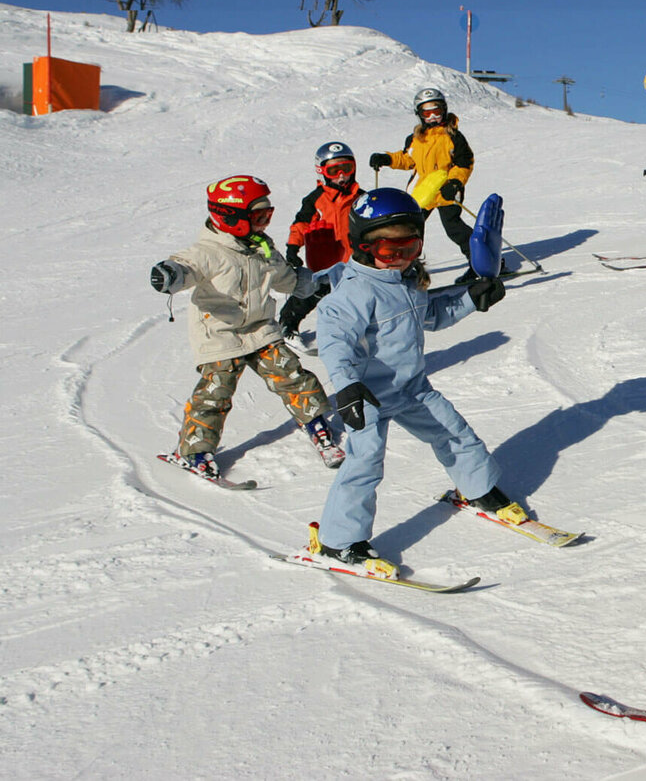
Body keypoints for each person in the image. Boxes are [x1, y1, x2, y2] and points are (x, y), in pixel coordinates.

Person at [308, 188, 524, 578]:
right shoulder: (356, 291)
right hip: (366, 396)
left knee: (455, 433)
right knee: (364, 465)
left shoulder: (406, 281)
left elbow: (433, 315)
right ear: (363, 246)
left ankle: (477, 489)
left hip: (412, 389)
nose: (403, 259)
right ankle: (337, 542)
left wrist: (473, 299)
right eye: (392, 252)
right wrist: (346, 385)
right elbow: (334, 339)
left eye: (411, 248)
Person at [150, 174, 345, 472]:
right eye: (259, 217)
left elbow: (285, 278)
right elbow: (186, 265)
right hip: (220, 334)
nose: (265, 223)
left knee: (291, 374)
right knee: (216, 392)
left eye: (268, 216)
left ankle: (315, 422)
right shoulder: (208, 251)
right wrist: (171, 273)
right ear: (232, 217)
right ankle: (195, 451)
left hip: (260, 329)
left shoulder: (260, 247)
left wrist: (316, 284)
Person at [369, 87, 492, 284]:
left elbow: (464, 163)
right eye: (427, 113)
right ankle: (406, 270)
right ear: (420, 115)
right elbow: (407, 159)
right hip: (422, 194)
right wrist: (387, 159)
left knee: (455, 229)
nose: (433, 116)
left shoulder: (453, 137)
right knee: (409, 232)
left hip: (446, 192)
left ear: (444, 110)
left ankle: (482, 263)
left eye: (437, 111)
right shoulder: (417, 139)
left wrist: (454, 182)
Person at [279, 142, 363, 345]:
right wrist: (293, 248)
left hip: (355, 259)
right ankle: (287, 323)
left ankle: (355, 331)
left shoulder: (361, 198)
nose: (342, 175)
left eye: (347, 168)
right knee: (314, 290)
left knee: (358, 295)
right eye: (334, 170)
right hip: (326, 258)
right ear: (321, 171)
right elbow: (300, 224)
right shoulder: (316, 200)